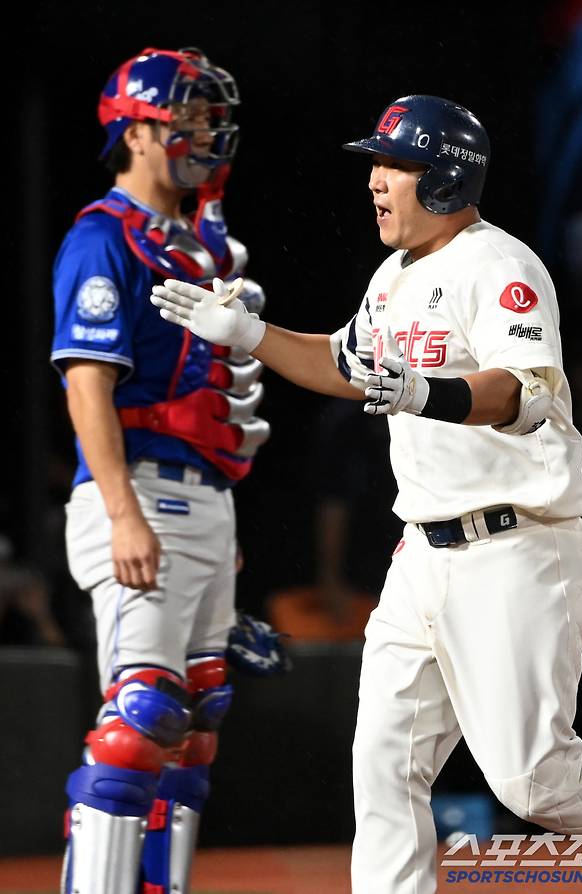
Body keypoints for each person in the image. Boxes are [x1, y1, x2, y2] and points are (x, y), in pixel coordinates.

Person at [151, 95, 582, 892]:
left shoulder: (503, 266)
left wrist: (425, 390)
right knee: (384, 765)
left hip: (516, 546)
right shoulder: (394, 274)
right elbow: (346, 366)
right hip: (422, 554)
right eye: (377, 164)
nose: (377, 181)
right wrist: (252, 336)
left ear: (449, 179)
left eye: (397, 165)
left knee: (536, 780)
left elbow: (522, 392)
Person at [50, 46, 279, 894]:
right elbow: (86, 389)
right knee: (139, 717)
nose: (205, 134)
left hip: (204, 505)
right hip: (137, 495)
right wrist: (121, 514)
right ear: (137, 130)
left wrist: (221, 528)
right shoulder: (101, 239)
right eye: (187, 117)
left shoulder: (192, 246)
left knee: (195, 723)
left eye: (211, 118)